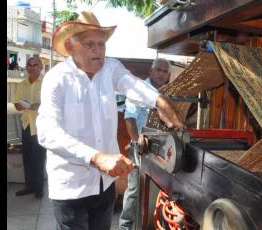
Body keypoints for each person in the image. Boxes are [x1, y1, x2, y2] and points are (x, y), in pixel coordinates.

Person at [36, 11, 185, 230]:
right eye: (89, 45)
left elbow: (133, 84)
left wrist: (161, 102)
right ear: (70, 47)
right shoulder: (56, 79)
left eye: (102, 44)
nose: (98, 51)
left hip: (104, 186)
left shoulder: (110, 68)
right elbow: (47, 131)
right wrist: (94, 157)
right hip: (70, 187)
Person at [119, 58, 171, 230]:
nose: (162, 74)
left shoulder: (167, 93)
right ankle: (125, 226)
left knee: (157, 190)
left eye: (165, 72)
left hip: (160, 149)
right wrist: (136, 139)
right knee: (134, 190)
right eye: (159, 70)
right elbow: (130, 117)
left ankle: (151, 224)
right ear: (151, 71)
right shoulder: (139, 89)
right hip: (139, 147)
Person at [13, 56, 46, 198]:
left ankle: (39, 189)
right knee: (27, 157)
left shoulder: (45, 83)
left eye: (35, 65)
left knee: (39, 158)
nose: (32, 67)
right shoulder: (22, 84)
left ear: (40, 68)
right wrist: (19, 106)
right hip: (26, 124)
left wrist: (40, 105)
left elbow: (52, 102)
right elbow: (16, 103)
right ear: (26, 67)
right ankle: (29, 186)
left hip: (40, 125)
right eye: (29, 65)